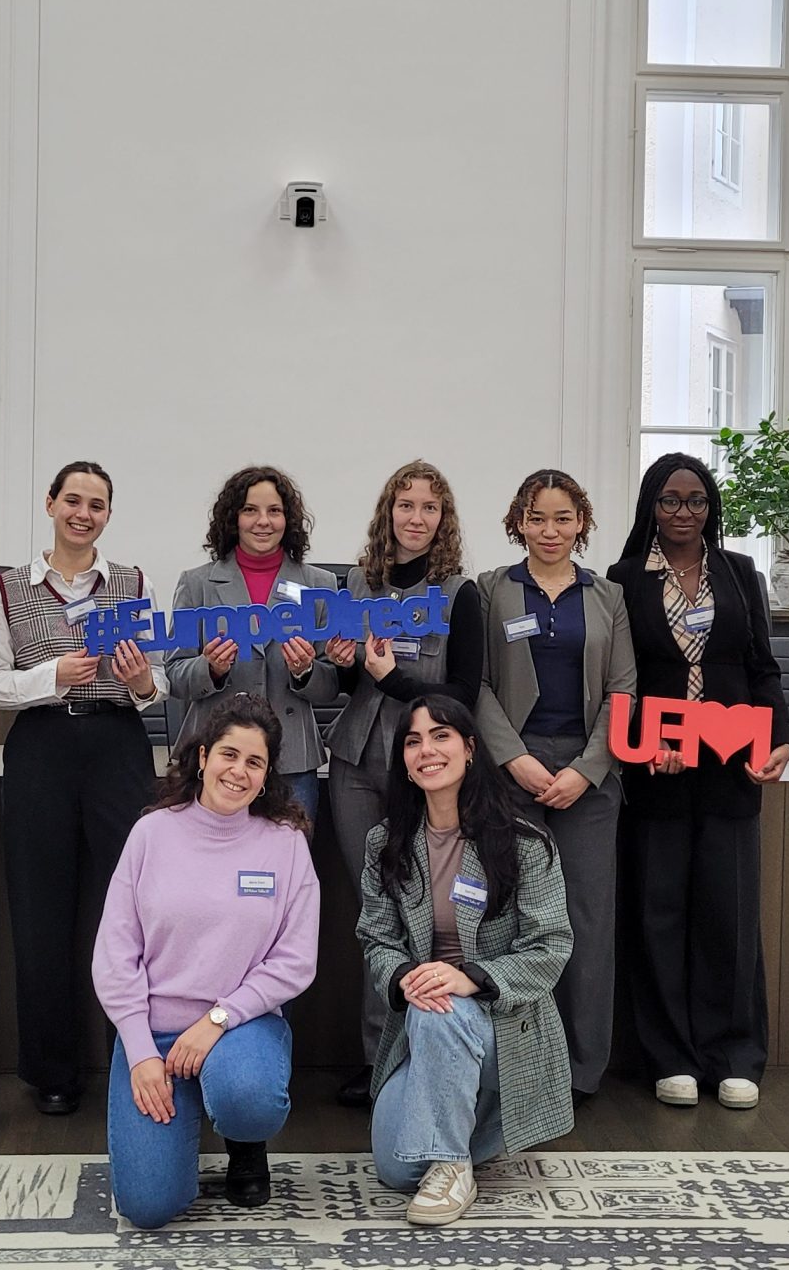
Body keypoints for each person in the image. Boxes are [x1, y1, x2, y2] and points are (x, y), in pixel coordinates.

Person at [608, 453, 789, 1112]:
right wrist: (643, 743)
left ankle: (733, 1054)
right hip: (656, 771)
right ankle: (671, 1056)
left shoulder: (739, 573)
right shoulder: (624, 579)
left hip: (731, 768)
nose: (683, 512)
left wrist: (782, 739)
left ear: (710, 507)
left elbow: (763, 666)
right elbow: (618, 679)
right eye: (669, 500)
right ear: (650, 507)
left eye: (696, 500)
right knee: (658, 911)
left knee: (728, 912)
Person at [0, 461, 165, 1117]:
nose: (84, 514)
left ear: (108, 514)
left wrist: (141, 681)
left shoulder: (132, 583)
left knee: (131, 910)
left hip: (117, 745)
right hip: (41, 746)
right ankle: (51, 1071)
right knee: (40, 913)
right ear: (50, 504)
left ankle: (133, 1063)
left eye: (97, 505)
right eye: (74, 501)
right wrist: (51, 676)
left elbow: (157, 686)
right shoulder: (9, 589)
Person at [93, 695, 321, 1229]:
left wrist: (218, 1020)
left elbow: (295, 960)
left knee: (249, 1099)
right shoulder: (151, 833)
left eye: (254, 762)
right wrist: (140, 1052)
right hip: (155, 1036)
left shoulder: (285, 844)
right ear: (202, 757)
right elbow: (115, 953)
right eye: (228, 754)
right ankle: (182, 1120)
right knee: (148, 1207)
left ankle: (238, 1129)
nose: (238, 771)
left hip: (239, 1026)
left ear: (266, 777)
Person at [359, 695, 573, 1227]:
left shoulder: (524, 843)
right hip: (425, 1018)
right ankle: (468, 1118)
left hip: (507, 1024)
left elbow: (551, 945)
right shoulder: (385, 843)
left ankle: (453, 1166)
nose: (427, 751)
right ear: (403, 760)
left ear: (470, 749)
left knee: (442, 1007)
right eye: (413, 741)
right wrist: (404, 976)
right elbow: (376, 939)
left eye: (441, 736)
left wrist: (471, 978)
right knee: (396, 1169)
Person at [320, 459, 488, 1107]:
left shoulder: (459, 593)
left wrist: (392, 680)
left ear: (444, 519)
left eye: (429, 507)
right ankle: (378, 1058)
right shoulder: (358, 584)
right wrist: (340, 663)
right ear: (388, 512)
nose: (416, 518)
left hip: (425, 769)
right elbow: (341, 687)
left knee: (424, 911)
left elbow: (463, 695)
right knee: (378, 913)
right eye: (406, 505)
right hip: (356, 764)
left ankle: (427, 1051)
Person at [473, 468, 635, 1099]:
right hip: (511, 771)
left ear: (581, 523)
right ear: (519, 522)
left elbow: (622, 690)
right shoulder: (492, 590)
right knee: (512, 921)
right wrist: (513, 758)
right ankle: (518, 1068)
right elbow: (477, 683)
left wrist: (586, 771)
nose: (549, 530)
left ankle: (581, 1070)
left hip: (589, 775)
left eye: (563, 518)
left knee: (586, 920)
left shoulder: (607, 596)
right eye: (536, 518)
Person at [162, 465, 338, 823]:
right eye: (250, 510)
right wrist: (211, 669)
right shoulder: (197, 584)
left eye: (274, 511)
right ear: (233, 518)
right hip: (215, 757)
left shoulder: (320, 584)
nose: (263, 521)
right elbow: (175, 675)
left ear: (288, 519)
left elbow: (332, 686)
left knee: (289, 856)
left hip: (292, 761)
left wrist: (305, 671)